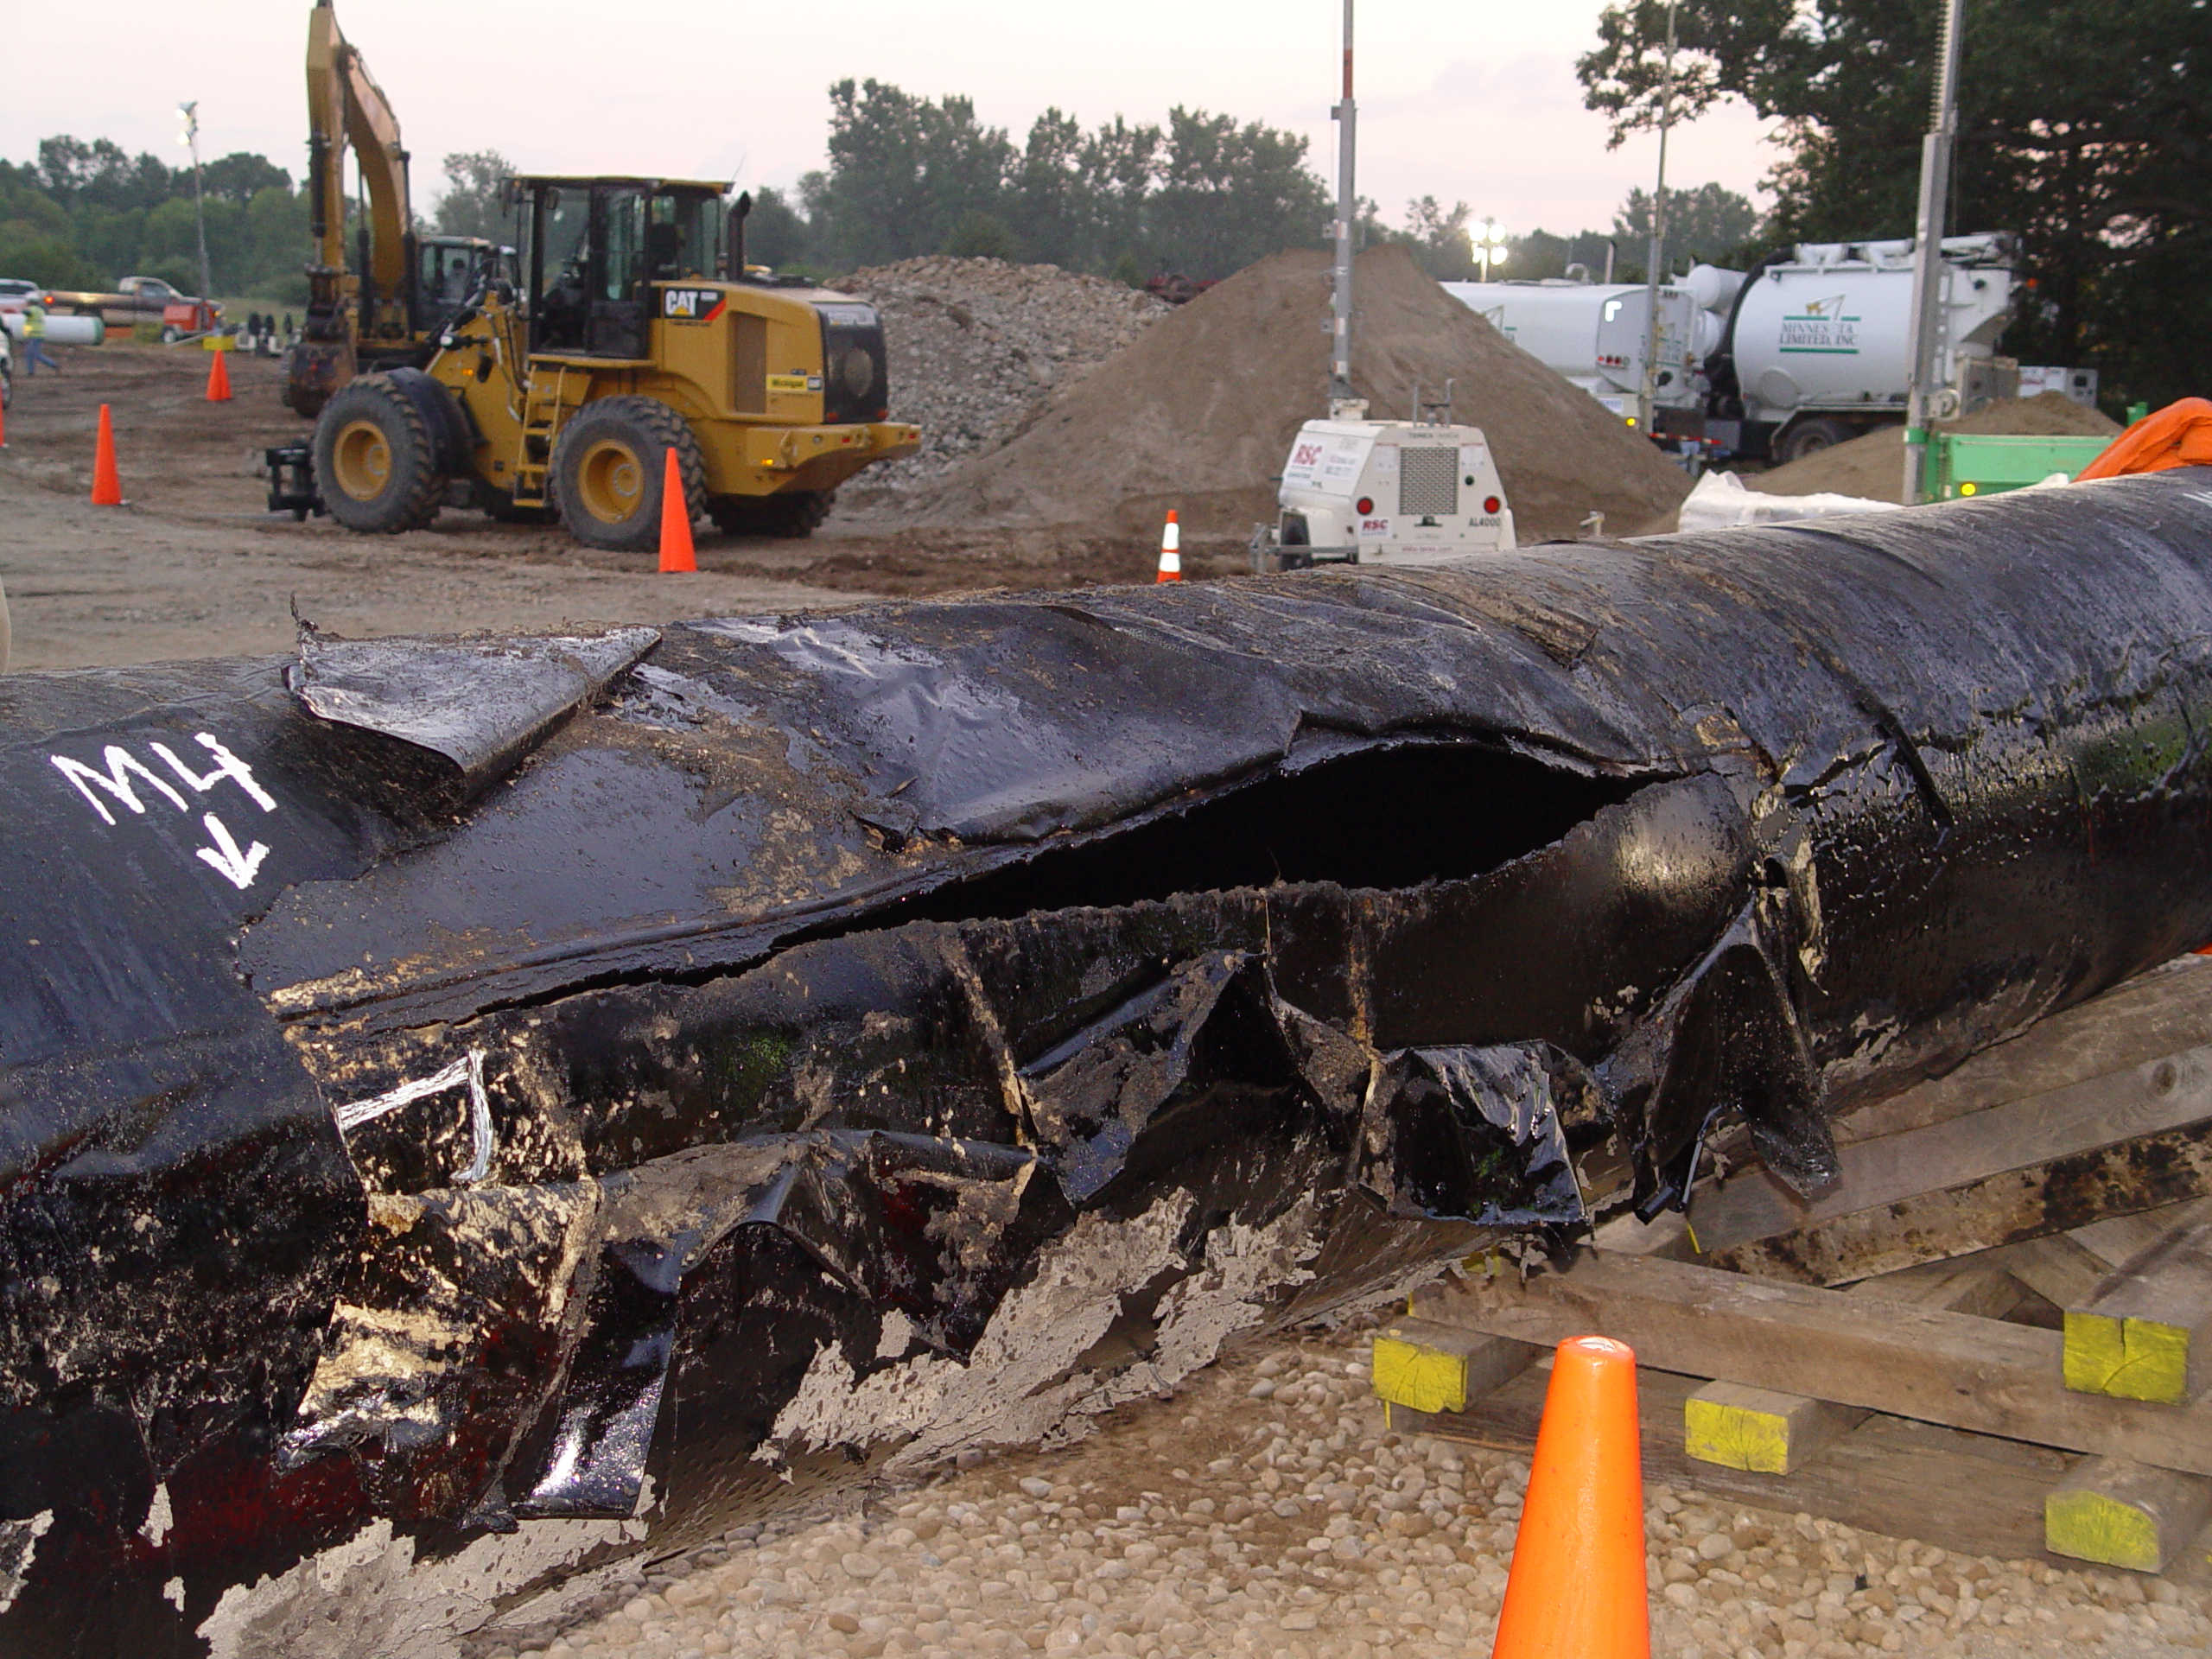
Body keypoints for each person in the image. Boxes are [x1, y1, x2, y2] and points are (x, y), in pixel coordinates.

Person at [21, 302, 59, 376]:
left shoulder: (32, 309)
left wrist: (26, 335)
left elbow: (26, 314)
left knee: (34, 354)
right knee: (30, 354)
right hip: (38, 335)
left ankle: (53, 364)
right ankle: (30, 371)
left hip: (34, 335)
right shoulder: (40, 310)